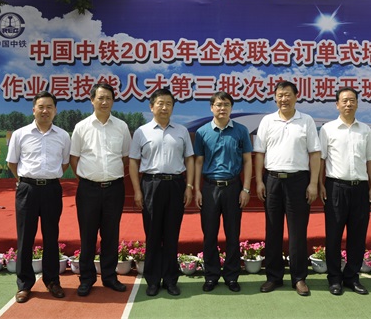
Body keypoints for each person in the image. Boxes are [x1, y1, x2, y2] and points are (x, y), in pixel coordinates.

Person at [253, 80, 321, 297]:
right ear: (275, 98)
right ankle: (273, 277)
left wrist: (313, 183)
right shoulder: (267, 121)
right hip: (272, 180)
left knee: (298, 232)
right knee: (272, 230)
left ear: (296, 96)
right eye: (280, 95)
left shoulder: (306, 120)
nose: (284, 99)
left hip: (298, 181)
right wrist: (259, 181)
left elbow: (315, 154)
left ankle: (299, 278)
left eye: (288, 95)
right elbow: (259, 153)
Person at [6, 91, 71, 303]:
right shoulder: (20, 134)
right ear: (33, 109)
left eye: (49, 107)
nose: (45, 111)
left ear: (55, 111)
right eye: (41, 107)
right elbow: (12, 163)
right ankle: (24, 284)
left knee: (51, 236)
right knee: (25, 237)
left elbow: (64, 163)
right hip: (27, 189)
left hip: (52, 189)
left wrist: (47, 178)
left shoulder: (63, 136)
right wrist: (24, 181)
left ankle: (52, 281)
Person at [128, 88, 194, 297]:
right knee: (153, 235)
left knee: (172, 234)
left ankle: (171, 280)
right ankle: (153, 280)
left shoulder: (181, 131)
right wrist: (137, 190)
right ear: (151, 106)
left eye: (168, 104)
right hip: (151, 185)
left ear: (173, 107)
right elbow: (133, 162)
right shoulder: (142, 132)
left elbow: (189, 159)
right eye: (160, 103)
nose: (164, 107)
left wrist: (189, 186)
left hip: (175, 185)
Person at [70, 83, 132, 297]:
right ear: (92, 100)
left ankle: (109, 276)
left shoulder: (121, 126)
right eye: (100, 98)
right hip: (88, 189)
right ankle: (86, 278)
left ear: (113, 101)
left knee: (111, 234)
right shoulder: (82, 127)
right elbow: (74, 158)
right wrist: (88, 178)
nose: (104, 102)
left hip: (114, 188)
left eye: (108, 98)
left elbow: (125, 157)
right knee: (87, 235)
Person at [318, 87, 371, 296]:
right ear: (337, 104)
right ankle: (334, 278)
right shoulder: (328, 129)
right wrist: (320, 184)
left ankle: (352, 277)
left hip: (360, 188)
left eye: (352, 100)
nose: (348, 104)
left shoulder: (365, 130)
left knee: (357, 235)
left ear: (357, 104)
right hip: (335, 187)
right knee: (333, 235)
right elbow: (321, 159)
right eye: (344, 100)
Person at [193, 91, 253, 293]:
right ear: (211, 108)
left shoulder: (241, 130)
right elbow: (198, 162)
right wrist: (197, 189)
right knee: (209, 234)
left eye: (226, 104)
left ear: (231, 108)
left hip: (233, 187)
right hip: (209, 188)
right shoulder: (202, 132)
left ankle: (231, 276)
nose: (222, 108)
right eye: (218, 104)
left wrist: (246, 189)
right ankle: (211, 276)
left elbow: (247, 161)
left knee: (233, 234)